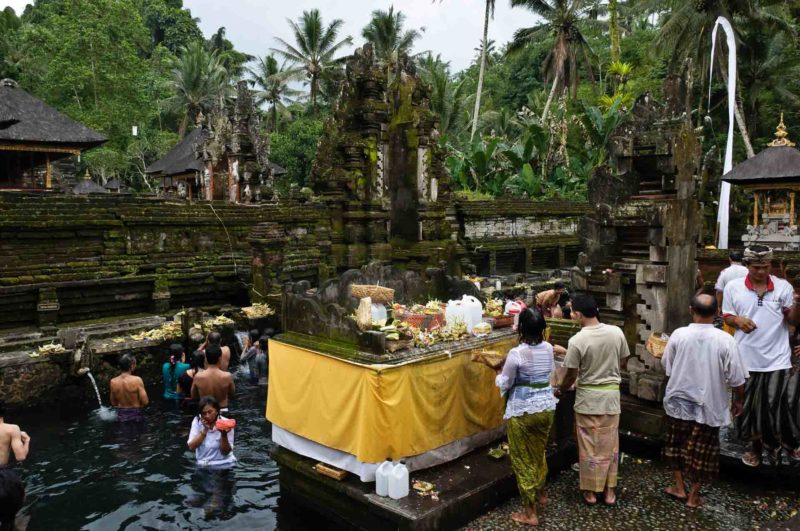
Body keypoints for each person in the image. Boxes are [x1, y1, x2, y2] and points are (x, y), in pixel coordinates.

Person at [661, 294, 748, 508]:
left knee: (676, 445)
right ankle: (693, 495)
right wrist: (738, 400)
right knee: (704, 451)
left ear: (692, 310)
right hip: (709, 402)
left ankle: (679, 487)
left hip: (679, 400)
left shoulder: (679, 335)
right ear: (717, 313)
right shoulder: (726, 340)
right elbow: (737, 378)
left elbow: (667, 366)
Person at [722, 245, 800, 466]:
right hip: (745, 357)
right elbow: (726, 315)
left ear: (771, 265)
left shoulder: (783, 287)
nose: (761, 272)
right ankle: (755, 447)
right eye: (756, 267)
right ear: (747, 266)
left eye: (765, 267)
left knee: (777, 406)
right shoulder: (734, 287)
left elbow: (792, 321)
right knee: (748, 407)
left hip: (777, 358)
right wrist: (738, 320)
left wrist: (798, 302)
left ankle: (783, 445)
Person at [557, 293, 629, 506]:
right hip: (610, 398)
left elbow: (571, 374)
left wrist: (562, 388)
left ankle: (590, 491)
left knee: (588, 446)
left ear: (578, 314)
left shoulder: (577, 340)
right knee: (611, 444)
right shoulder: (616, 332)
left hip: (588, 398)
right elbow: (623, 360)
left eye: (571, 312)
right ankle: (609, 491)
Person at [494, 308, 557, 526]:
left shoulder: (517, 354)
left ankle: (530, 513)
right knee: (539, 453)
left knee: (522, 460)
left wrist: (496, 373)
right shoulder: (548, 348)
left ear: (521, 329)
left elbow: (506, 382)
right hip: (546, 408)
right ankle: (541, 493)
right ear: (542, 329)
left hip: (523, 411)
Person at [0, 401, 30, 531]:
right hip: (2, 476)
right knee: (14, 504)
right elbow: (21, 456)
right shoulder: (11, 429)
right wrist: (27, 441)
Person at [187, 396, 236, 467]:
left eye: (210, 412)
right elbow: (191, 447)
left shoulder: (226, 423)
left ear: (216, 411)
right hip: (204, 464)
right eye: (204, 413)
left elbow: (226, 452)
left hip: (224, 463)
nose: (207, 416)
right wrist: (205, 431)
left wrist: (224, 435)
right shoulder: (197, 422)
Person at [191, 345, 235, 413]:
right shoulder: (227, 376)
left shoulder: (198, 376)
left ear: (205, 358)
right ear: (220, 358)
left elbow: (193, 396)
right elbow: (232, 393)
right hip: (223, 409)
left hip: (205, 411)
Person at [110, 353, 149, 422]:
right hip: (136, 414)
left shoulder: (113, 382)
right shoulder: (137, 380)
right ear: (132, 365)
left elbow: (113, 403)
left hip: (121, 416)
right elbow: (145, 401)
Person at [715, 250, 747, 330]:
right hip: (746, 305)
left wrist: (718, 306)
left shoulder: (725, 272)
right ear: (743, 259)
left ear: (730, 259)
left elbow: (719, 291)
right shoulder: (748, 271)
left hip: (729, 306)